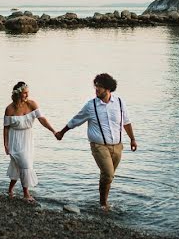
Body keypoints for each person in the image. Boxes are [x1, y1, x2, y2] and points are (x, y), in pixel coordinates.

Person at [55, 73, 137, 211]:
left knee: (107, 176)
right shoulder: (91, 105)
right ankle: (103, 204)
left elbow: (126, 122)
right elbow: (76, 120)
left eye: (99, 87)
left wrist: (132, 139)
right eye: (96, 86)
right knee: (108, 174)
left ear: (108, 88)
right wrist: (61, 132)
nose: (96, 89)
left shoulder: (119, 102)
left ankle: (103, 203)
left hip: (117, 146)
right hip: (99, 146)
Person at [3, 81, 56, 202]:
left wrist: (53, 131)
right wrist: (5, 144)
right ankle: (26, 194)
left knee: (18, 165)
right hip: (15, 139)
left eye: (28, 92)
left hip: (27, 139)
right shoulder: (9, 109)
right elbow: (6, 128)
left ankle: (10, 189)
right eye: (25, 93)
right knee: (25, 164)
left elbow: (42, 119)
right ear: (18, 94)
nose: (27, 95)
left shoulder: (32, 104)